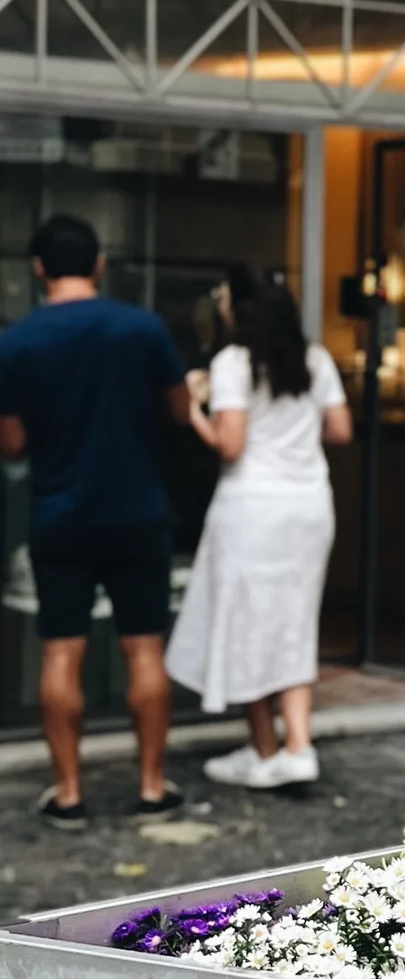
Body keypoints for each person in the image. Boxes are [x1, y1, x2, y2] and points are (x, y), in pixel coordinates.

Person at [0, 212, 193, 827]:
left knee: (62, 651)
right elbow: (180, 408)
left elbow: (10, 444)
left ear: (38, 270)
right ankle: (151, 788)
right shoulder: (142, 328)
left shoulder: (17, 341)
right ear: (99, 264)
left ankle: (69, 794)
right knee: (144, 648)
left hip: (60, 513)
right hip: (137, 511)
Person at [168, 264, 352, 789]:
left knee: (247, 626)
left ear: (238, 311)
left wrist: (195, 414)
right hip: (309, 507)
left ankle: (266, 750)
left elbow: (231, 446)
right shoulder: (314, 359)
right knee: (294, 626)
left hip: (252, 510)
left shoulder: (232, 362)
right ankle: (298, 747)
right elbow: (339, 430)